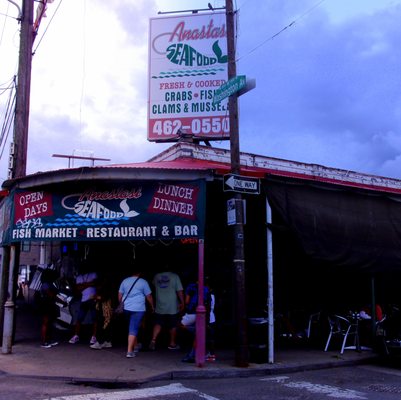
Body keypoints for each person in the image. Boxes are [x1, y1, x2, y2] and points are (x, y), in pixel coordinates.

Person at [118, 267, 154, 358]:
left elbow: (120, 294)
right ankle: (130, 351)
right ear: (140, 273)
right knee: (133, 328)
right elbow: (149, 296)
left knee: (132, 326)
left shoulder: (125, 281)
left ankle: (135, 345)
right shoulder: (143, 282)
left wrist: (121, 304)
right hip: (138, 308)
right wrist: (152, 306)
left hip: (126, 307)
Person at [149, 268, 185, 351]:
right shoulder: (175, 276)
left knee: (158, 323)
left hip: (160, 303)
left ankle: (153, 340)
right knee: (173, 324)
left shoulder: (156, 276)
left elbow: (154, 285)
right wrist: (182, 302)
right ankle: (172, 343)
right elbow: (179, 290)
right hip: (172, 305)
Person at [181, 280, 211, 363]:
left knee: (180, 325)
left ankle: (193, 355)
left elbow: (187, 301)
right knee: (198, 335)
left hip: (193, 313)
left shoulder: (191, 287)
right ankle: (199, 353)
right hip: (205, 315)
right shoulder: (207, 290)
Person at [69, 262, 98, 345]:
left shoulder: (93, 274)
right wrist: (89, 284)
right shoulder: (79, 277)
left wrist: (83, 285)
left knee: (94, 318)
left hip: (93, 299)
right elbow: (78, 289)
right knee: (79, 319)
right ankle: (76, 335)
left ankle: (93, 336)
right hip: (84, 300)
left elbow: (95, 283)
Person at [38, 269, 62, 348]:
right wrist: (61, 300)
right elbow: (51, 295)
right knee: (46, 322)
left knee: (49, 323)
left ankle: (48, 340)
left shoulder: (49, 284)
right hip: (46, 304)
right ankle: (44, 341)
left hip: (49, 304)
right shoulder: (46, 285)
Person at [90, 278, 113, 350]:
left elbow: (103, 298)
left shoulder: (105, 290)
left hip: (105, 311)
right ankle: (107, 341)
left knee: (101, 326)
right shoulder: (105, 289)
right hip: (105, 310)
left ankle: (100, 342)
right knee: (106, 326)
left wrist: (95, 297)